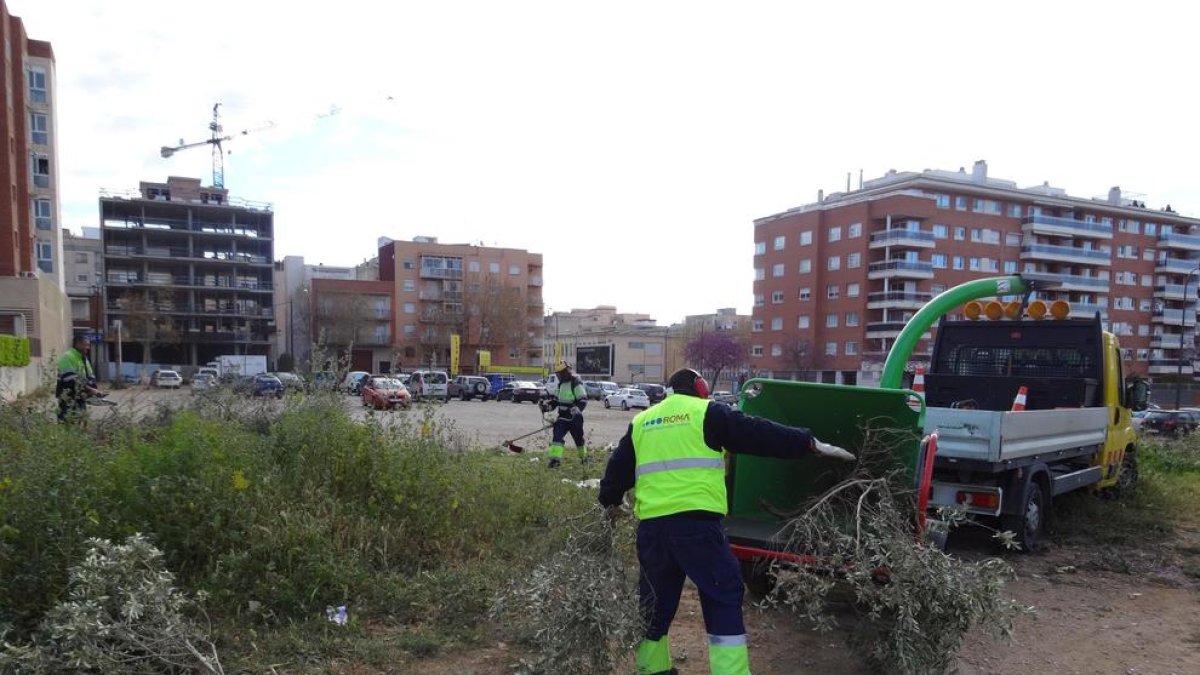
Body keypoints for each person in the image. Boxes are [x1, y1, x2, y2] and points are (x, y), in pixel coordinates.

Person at [598, 367, 855, 675]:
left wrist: (609, 504)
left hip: (652, 529)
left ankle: (652, 669)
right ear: (700, 388)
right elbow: (759, 433)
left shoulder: (641, 422)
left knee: (654, 601)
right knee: (723, 593)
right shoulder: (706, 412)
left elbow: (616, 472)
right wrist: (806, 442)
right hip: (696, 526)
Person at [539, 360, 589, 469]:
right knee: (557, 437)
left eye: (562, 372)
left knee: (579, 439)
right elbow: (555, 401)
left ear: (568, 371)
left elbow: (583, 399)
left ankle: (584, 458)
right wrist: (546, 407)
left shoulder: (575, 382)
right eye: (559, 373)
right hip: (562, 417)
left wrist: (578, 408)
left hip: (575, 417)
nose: (560, 375)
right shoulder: (561, 384)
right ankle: (555, 461)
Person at [56, 334, 103, 425]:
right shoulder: (68, 357)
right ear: (78, 344)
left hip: (80, 398)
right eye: (86, 344)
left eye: (88, 345)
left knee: (81, 425)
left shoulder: (83, 358)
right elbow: (71, 380)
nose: (88, 347)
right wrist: (91, 390)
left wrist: (93, 389)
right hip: (68, 399)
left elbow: (90, 376)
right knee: (67, 425)